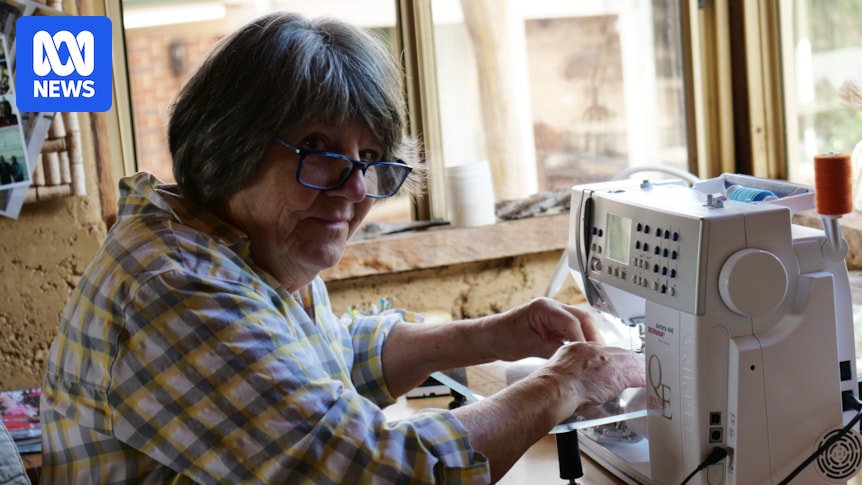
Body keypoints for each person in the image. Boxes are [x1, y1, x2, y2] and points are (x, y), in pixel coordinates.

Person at [40, 12, 644, 484]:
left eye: (370, 159)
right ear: (230, 143)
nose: (355, 188)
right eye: (317, 147)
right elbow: (381, 473)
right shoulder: (176, 290)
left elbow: (321, 356)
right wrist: (562, 382)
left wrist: (485, 334)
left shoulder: (240, 246)